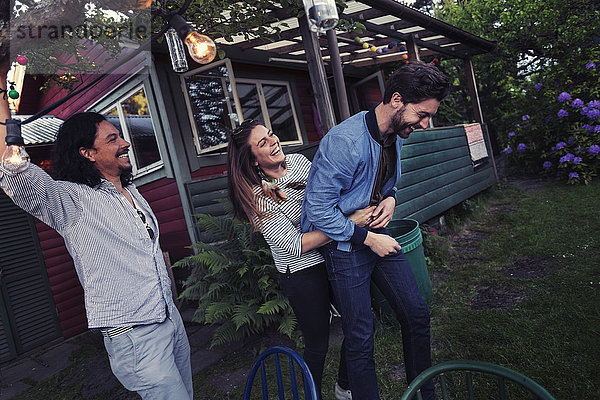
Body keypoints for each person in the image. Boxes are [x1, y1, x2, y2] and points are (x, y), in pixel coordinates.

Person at [0, 64, 192, 399]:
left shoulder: (131, 193)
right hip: (135, 334)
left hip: (169, 318)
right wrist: (2, 92)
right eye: (113, 139)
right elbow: (15, 172)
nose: (126, 143)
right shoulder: (71, 201)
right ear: (88, 153)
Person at [301, 60, 450, 400]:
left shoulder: (395, 133)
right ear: (397, 100)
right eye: (422, 114)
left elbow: (388, 181)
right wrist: (368, 238)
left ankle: (423, 395)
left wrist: (392, 199)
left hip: (375, 236)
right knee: (361, 334)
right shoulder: (343, 142)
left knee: (416, 314)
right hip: (344, 247)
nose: (425, 124)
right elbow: (319, 211)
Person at [227, 119, 374, 400]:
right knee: (318, 343)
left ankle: (345, 386)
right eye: (263, 143)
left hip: (333, 255)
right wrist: (348, 225)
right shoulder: (258, 197)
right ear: (253, 160)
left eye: (271, 135)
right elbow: (295, 245)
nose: (274, 142)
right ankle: (312, 395)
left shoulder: (298, 162)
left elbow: (328, 199)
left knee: (362, 324)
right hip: (302, 271)